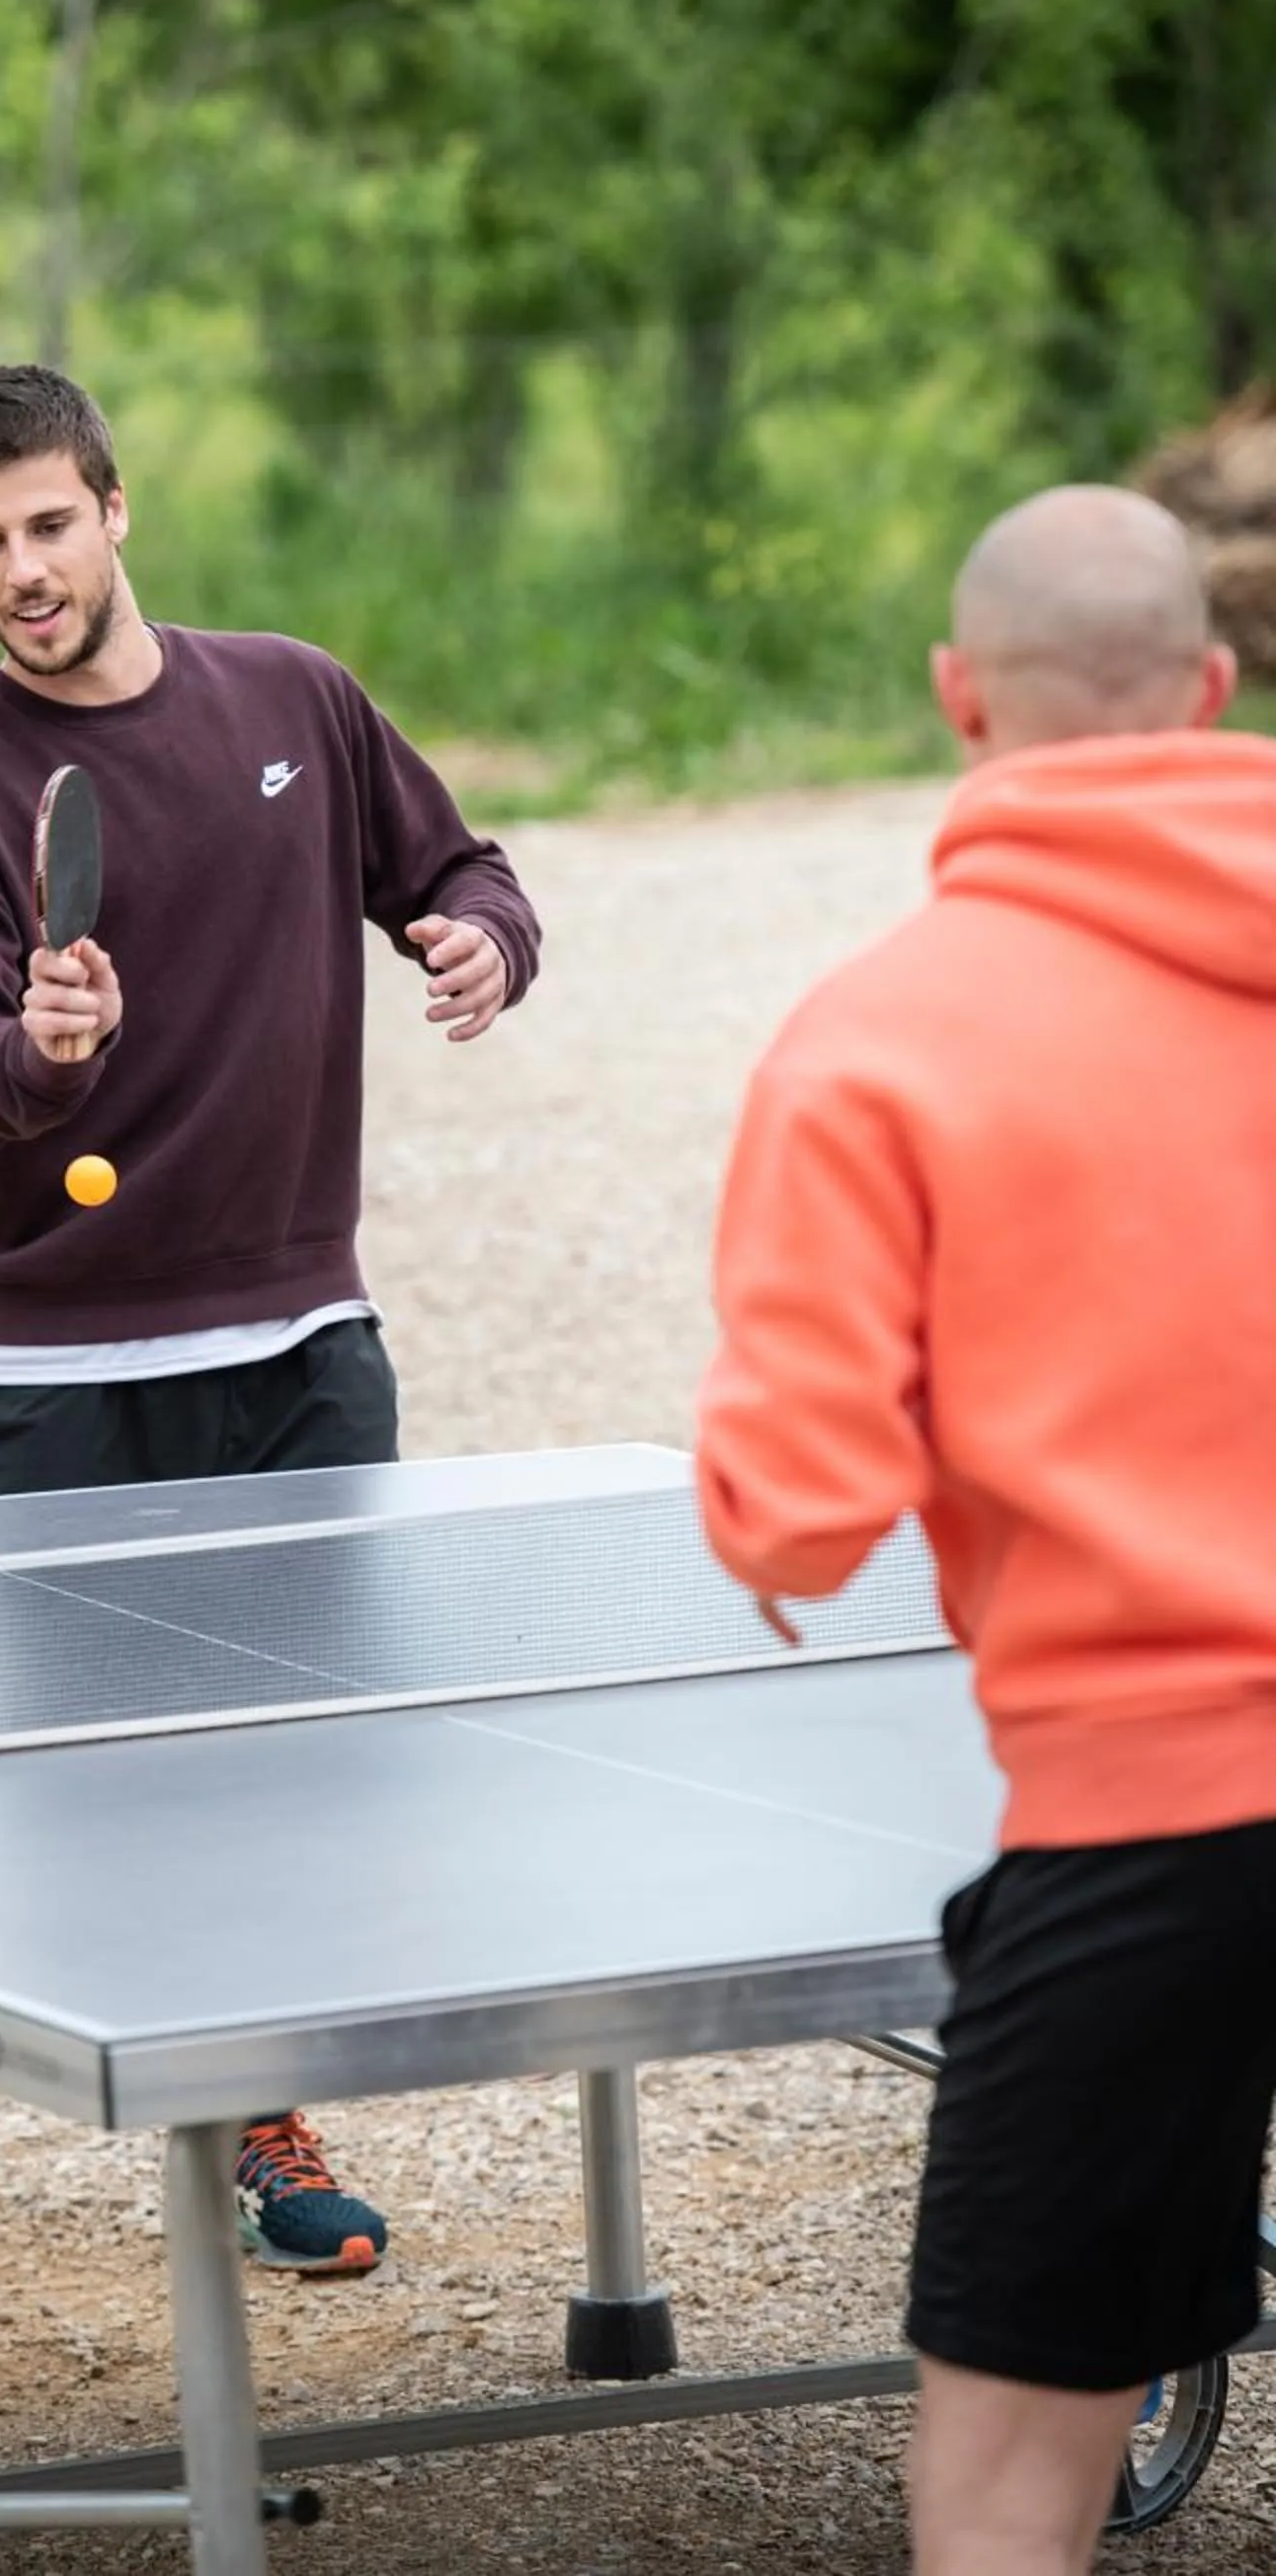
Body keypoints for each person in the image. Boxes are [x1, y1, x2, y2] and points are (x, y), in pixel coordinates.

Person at [0, 362, 542, 2293]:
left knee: (271, 1766)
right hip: (54, 1358)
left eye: (47, 525)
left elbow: (453, 867)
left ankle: (251, 2096)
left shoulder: (295, 702)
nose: (20, 570)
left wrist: (483, 936)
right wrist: (36, 1054)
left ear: (116, 507)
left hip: (301, 1338)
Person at [693, 483, 1276, 2576]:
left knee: (1007, 2494)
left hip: (1151, 1840)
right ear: (1211, 694)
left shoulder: (879, 1043)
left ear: (958, 703)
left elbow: (800, 1509)